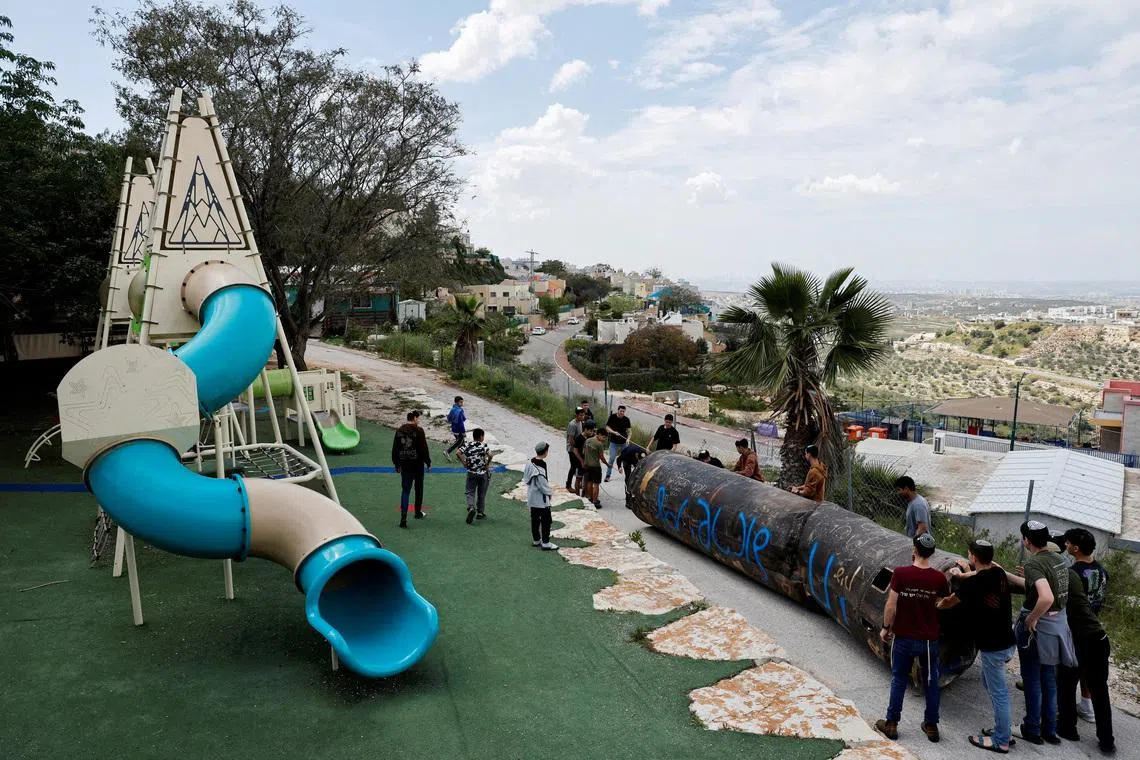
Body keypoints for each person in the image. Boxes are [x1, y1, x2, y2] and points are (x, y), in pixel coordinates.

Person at [939, 540, 1018, 753]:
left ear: (973, 557)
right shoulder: (998, 572)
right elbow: (978, 575)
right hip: (1008, 641)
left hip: (994, 646)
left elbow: (949, 602)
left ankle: (1002, 739)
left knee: (999, 692)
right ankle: (1002, 729)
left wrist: (934, 605)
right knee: (988, 683)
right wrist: (964, 571)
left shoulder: (974, 584)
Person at [1005, 520, 1077, 746]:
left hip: (1039, 628)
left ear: (1026, 540)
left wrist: (1031, 618)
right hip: (1057, 626)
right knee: (1048, 678)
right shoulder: (1060, 560)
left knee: (1032, 678)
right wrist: (1003, 572)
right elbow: (1041, 587)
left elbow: (1045, 596)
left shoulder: (1034, 563)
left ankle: (1032, 728)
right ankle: (1050, 729)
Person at [876, 533, 951, 744]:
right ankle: (931, 726)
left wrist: (885, 627)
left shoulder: (901, 573)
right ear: (932, 553)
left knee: (899, 679)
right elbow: (943, 600)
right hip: (928, 640)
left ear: (914, 550)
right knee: (930, 683)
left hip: (903, 637)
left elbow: (891, 604)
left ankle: (891, 723)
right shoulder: (938, 578)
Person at [1057, 566, 1115, 754]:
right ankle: (1107, 741)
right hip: (1099, 637)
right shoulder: (1099, 572)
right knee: (1100, 689)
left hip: (1081, 639)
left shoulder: (1069, 575)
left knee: (1066, 681)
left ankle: (1068, 728)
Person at [1064, 528, 1109, 723]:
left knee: (1068, 668)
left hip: (1076, 626)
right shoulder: (1102, 570)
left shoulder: (1074, 573)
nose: (1065, 545)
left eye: (1067, 543)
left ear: (1075, 548)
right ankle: (1086, 705)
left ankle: (1062, 712)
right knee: (1088, 669)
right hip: (1094, 624)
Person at [392, 410, 431, 528]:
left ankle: (403, 517)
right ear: (414, 418)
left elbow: (395, 448)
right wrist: (428, 462)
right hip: (417, 464)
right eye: (418, 418)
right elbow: (423, 448)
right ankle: (417, 512)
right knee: (418, 489)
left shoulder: (399, 431)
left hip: (405, 464)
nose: (418, 421)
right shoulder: (419, 431)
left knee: (405, 490)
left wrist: (396, 464)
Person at [523, 442, 558, 551]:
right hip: (541, 499)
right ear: (545, 451)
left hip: (532, 496)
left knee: (534, 519)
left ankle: (536, 539)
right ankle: (546, 542)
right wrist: (549, 493)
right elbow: (542, 484)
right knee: (546, 520)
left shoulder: (530, 462)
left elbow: (526, 478)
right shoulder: (540, 467)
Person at [458, 428, 493, 524]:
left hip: (471, 472)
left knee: (470, 492)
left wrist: (464, 462)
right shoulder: (483, 445)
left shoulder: (467, 445)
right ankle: (480, 513)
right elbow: (490, 455)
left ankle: (471, 507)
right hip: (482, 473)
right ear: (481, 436)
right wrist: (487, 464)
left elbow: (458, 452)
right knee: (482, 493)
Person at [582, 423, 608, 508]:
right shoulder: (599, 444)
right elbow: (602, 458)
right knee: (596, 484)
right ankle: (595, 501)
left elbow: (584, 452)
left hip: (587, 465)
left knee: (589, 483)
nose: (604, 439)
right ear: (599, 435)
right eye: (603, 437)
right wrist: (608, 465)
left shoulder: (588, 440)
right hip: (596, 467)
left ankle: (590, 498)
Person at [604, 405, 632, 481]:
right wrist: (613, 432)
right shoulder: (612, 417)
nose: (622, 413)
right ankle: (608, 476)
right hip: (614, 442)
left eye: (623, 411)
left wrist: (628, 439)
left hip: (623, 442)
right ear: (618, 410)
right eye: (621, 411)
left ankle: (628, 476)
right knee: (612, 458)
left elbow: (629, 431)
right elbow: (607, 428)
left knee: (626, 459)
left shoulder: (626, 419)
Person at [565, 407, 586, 494]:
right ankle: (568, 485)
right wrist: (577, 447)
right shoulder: (572, 424)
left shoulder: (580, 422)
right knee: (573, 467)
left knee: (577, 467)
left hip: (578, 447)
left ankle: (579, 483)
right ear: (576, 415)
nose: (582, 416)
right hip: (572, 449)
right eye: (581, 415)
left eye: (583, 415)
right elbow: (570, 439)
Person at [445, 396, 466, 460]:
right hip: (459, 429)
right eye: (461, 402)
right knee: (459, 442)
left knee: (461, 442)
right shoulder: (460, 411)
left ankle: (459, 455)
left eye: (462, 402)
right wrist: (463, 431)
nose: (462, 404)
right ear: (457, 402)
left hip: (453, 428)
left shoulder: (453, 409)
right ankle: (448, 451)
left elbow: (448, 418)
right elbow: (461, 422)